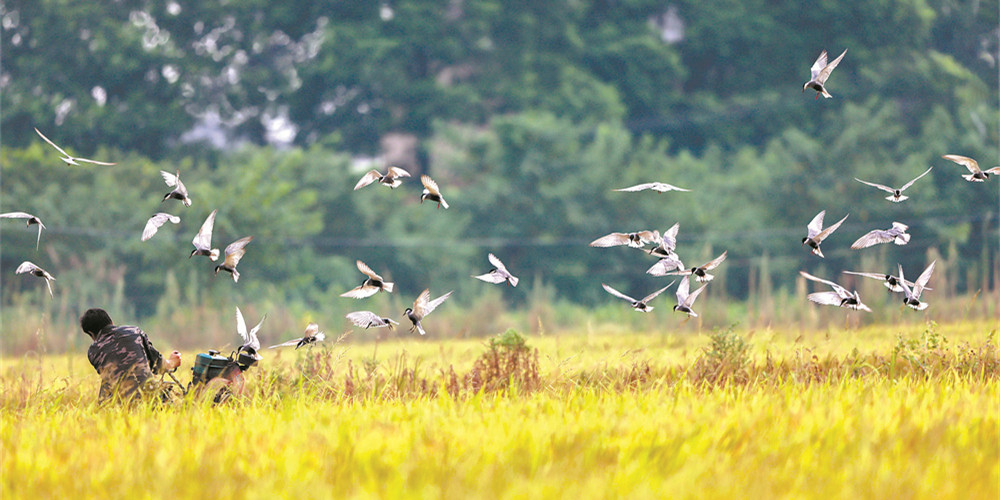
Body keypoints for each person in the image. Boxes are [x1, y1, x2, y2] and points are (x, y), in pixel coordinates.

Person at [80, 308, 181, 402]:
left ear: (90, 333)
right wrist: (172, 362)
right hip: (151, 397)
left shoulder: (93, 351)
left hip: (117, 406)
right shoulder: (133, 331)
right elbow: (157, 364)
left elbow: (114, 375)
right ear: (111, 322)